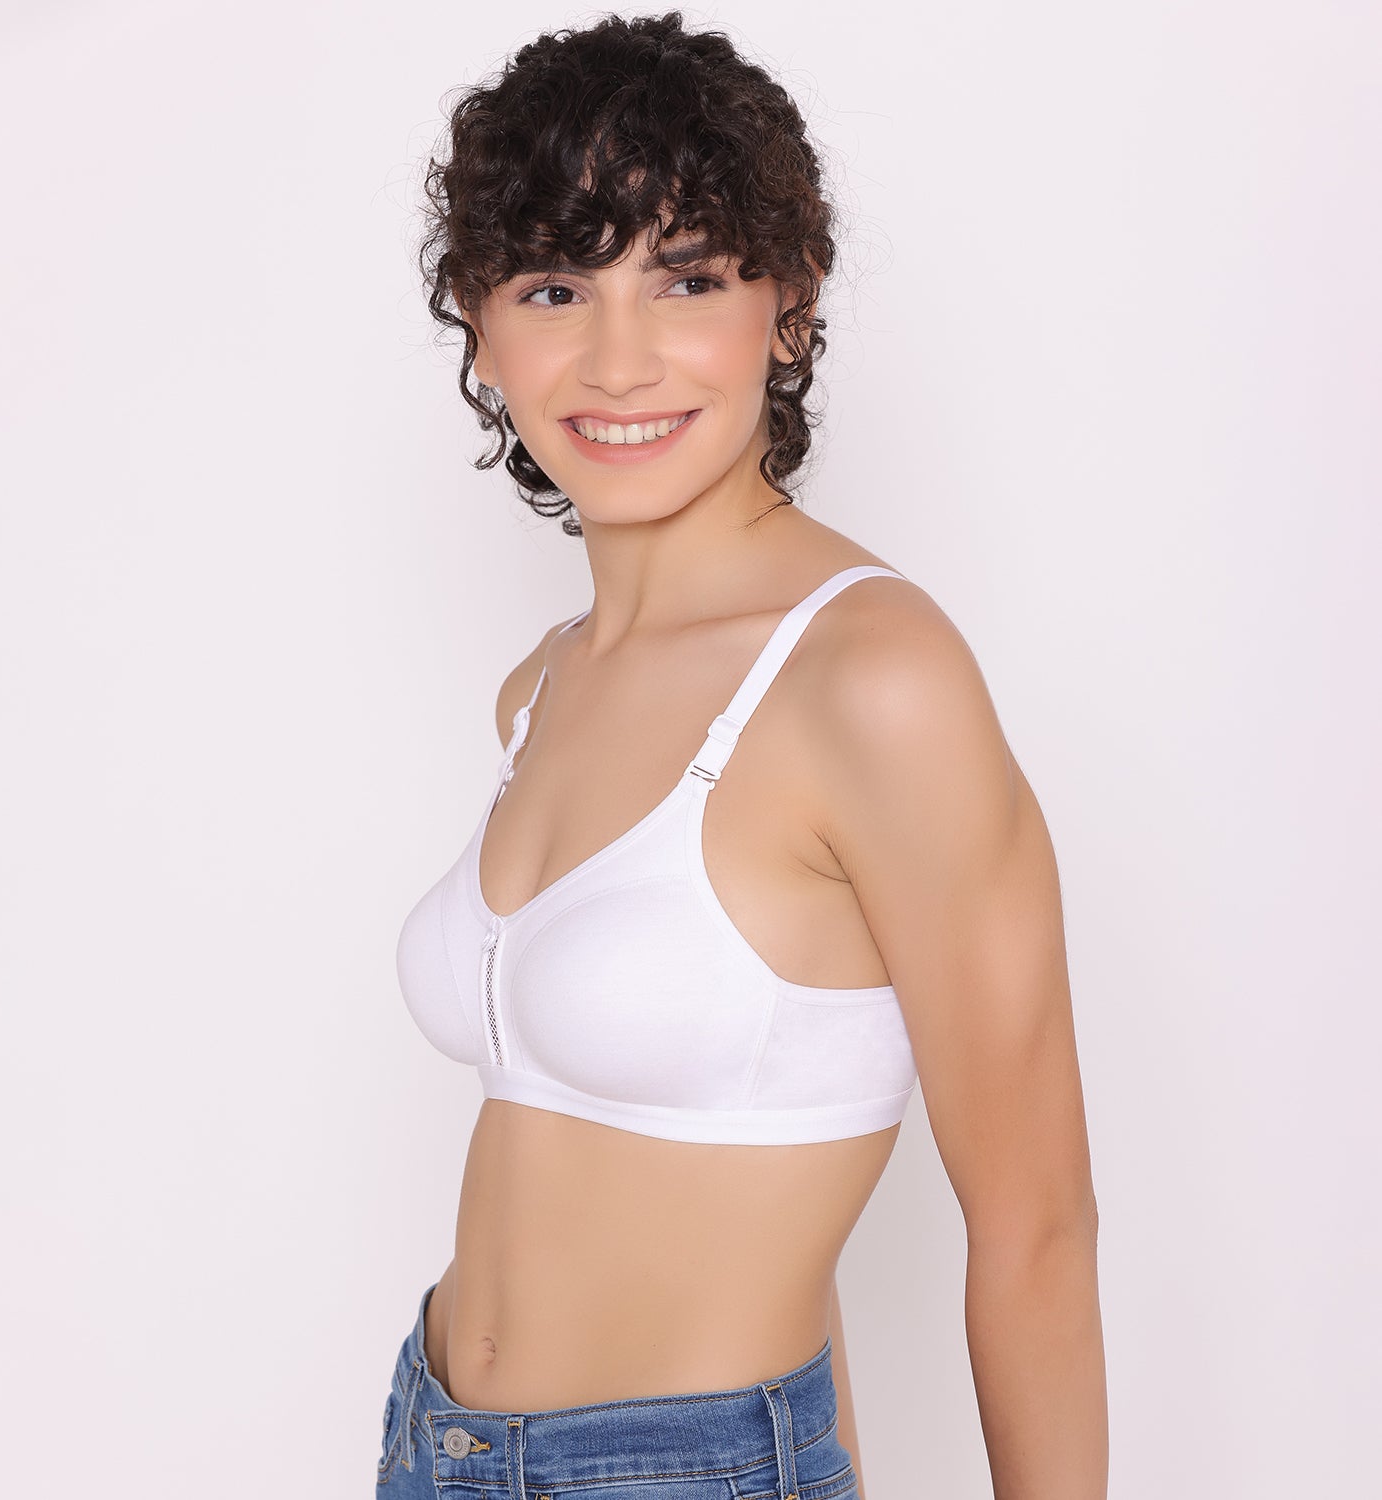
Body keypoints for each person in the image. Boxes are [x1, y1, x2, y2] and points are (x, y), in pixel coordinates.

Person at [384, 12, 1106, 1500]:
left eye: (689, 278)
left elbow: (1035, 1223)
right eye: (555, 287)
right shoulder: (543, 689)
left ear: (789, 305)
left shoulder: (873, 679)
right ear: (482, 325)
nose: (618, 359)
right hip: (432, 1442)